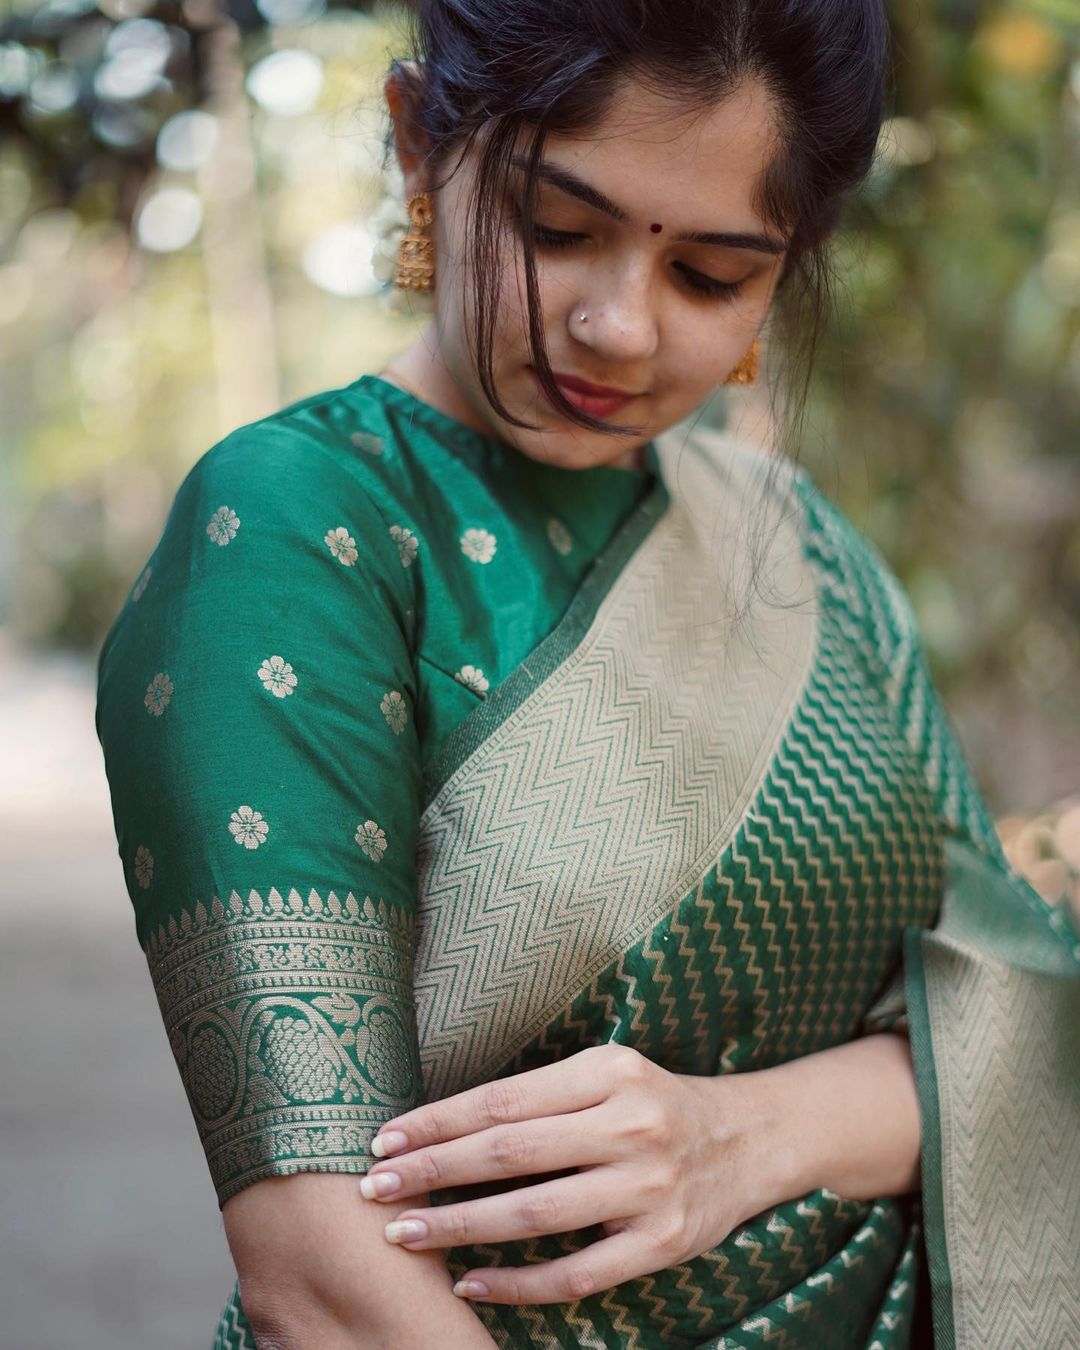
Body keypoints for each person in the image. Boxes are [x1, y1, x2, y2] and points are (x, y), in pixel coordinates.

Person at [94, 2, 1080, 1347]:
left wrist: (742, 1132)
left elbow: (1009, 1000)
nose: (620, 325)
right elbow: (320, 1269)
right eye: (558, 231)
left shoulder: (798, 546)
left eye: (714, 273)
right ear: (414, 145)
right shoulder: (296, 529)